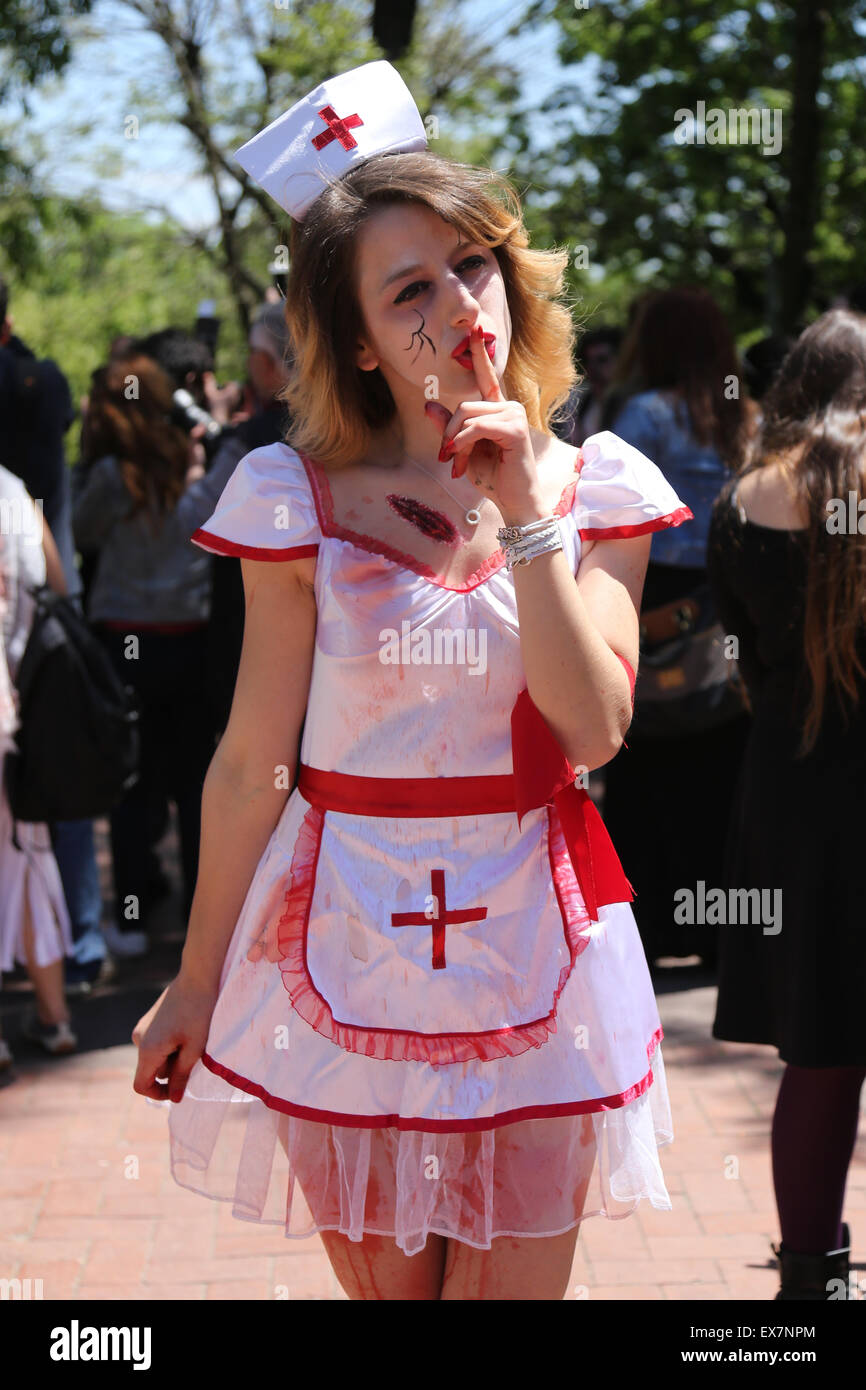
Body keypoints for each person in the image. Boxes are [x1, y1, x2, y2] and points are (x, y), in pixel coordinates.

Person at [132, 59, 693, 1301]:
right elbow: (249, 761)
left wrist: (525, 515)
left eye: (473, 264)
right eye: (409, 289)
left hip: (537, 948)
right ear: (362, 343)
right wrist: (194, 972)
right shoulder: (295, 503)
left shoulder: (596, 482)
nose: (459, 307)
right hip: (341, 943)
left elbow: (593, 729)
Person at [706, 309, 866, 1300]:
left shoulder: (740, 501)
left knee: (817, 1054)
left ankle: (809, 1283)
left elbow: (748, 657)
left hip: (793, 787)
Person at [602, 287, 758, 967]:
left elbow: (608, 511)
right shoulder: (746, 417)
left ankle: (650, 932)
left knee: (649, 772)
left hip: (651, 605)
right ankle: (719, 934)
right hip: (728, 608)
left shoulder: (641, 413)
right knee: (719, 772)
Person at [70, 354, 227, 956]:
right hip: (189, 638)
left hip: (126, 644)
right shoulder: (192, 459)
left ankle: (131, 922)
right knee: (192, 786)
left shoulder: (113, 475)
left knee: (133, 786)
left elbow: (82, 532)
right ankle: (196, 919)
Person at [0, 465, 76, 1075]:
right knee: (28, 853)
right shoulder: (17, 492)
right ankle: (54, 1018)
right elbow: (58, 584)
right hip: (25, 709)